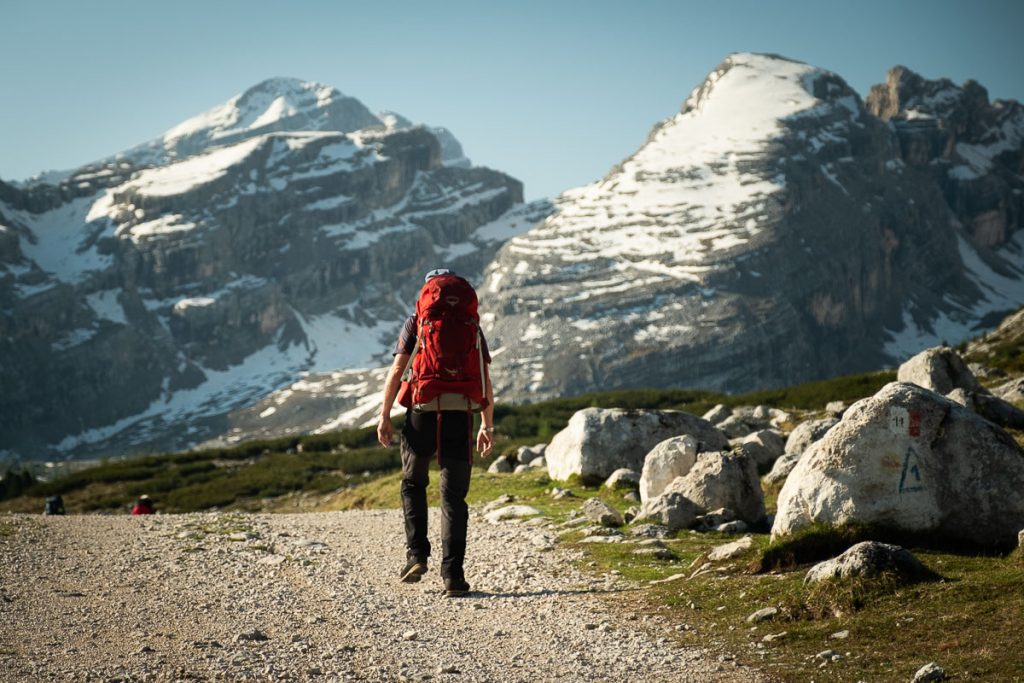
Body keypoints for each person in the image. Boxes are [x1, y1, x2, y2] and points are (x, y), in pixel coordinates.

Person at [377, 268, 495, 597]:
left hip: (422, 411)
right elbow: (484, 376)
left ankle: (416, 555)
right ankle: (453, 576)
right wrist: (487, 424)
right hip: (460, 413)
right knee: (453, 496)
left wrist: (384, 415)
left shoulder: (417, 321)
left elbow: (398, 370)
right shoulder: (471, 324)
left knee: (413, 483)